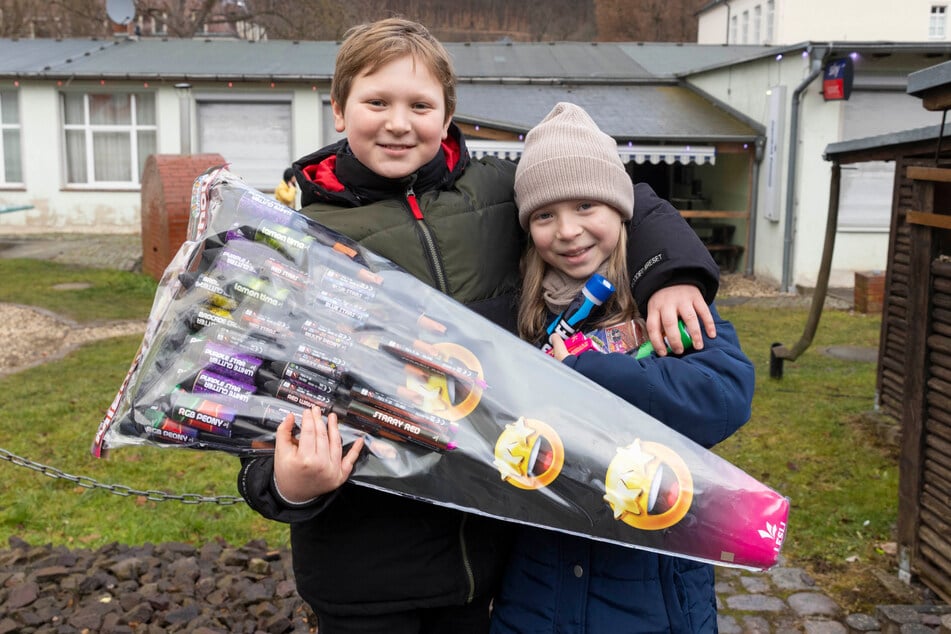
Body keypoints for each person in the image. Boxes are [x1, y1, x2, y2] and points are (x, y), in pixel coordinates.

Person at [237, 19, 721, 634]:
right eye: (376, 101)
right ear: (338, 109)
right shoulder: (296, 234)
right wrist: (286, 485)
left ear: (447, 115)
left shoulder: (496, 193)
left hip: (486, 564)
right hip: (360, 569)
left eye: (419, 104)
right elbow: (257, 394)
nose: (397, 122)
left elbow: (620, 196)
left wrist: (672, 271)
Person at [489, 102, 756, 633]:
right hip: (539, 587)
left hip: (652, 585)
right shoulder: (518, 309)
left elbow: (725, 394)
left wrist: (594, 375)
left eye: (587, 205)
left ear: (621, 209)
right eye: (545, 215)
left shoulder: (664, 300)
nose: (567, 231)